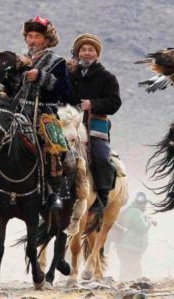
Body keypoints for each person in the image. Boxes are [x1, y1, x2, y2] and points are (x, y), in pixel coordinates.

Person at [0, 16, 71, 213]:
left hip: (45, 113)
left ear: (47, 40)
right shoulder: (18, 60)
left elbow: (65, 89)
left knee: (55, 146)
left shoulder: (57, 62)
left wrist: (42, 77)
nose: (32, 40)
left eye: (37, 36)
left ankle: (53, 191)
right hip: (16, 112)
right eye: (29, 36)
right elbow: (10, 86)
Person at [66, 33, 122, 214]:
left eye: (91, 50)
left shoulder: (107, 77)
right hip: (71, 123)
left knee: (100, 155)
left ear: (97, 54)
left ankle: (103, 195)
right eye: (83, 50)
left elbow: (115, 103)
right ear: (78, 53)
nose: (87, 53)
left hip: (96, 123)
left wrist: (93, 104)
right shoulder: (71, 75)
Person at [112, 192, 155, 280]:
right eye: (145, 203)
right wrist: (149, 222)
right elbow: (142, 228)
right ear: (142, 203)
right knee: (130, 273)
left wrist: (146, 219)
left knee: (134, 272)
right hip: (129, 248)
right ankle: (124, 289)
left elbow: (134, 222)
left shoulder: (132, 210)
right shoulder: (136, 212)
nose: (145, 205)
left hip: (128, 248)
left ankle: (126, 288)